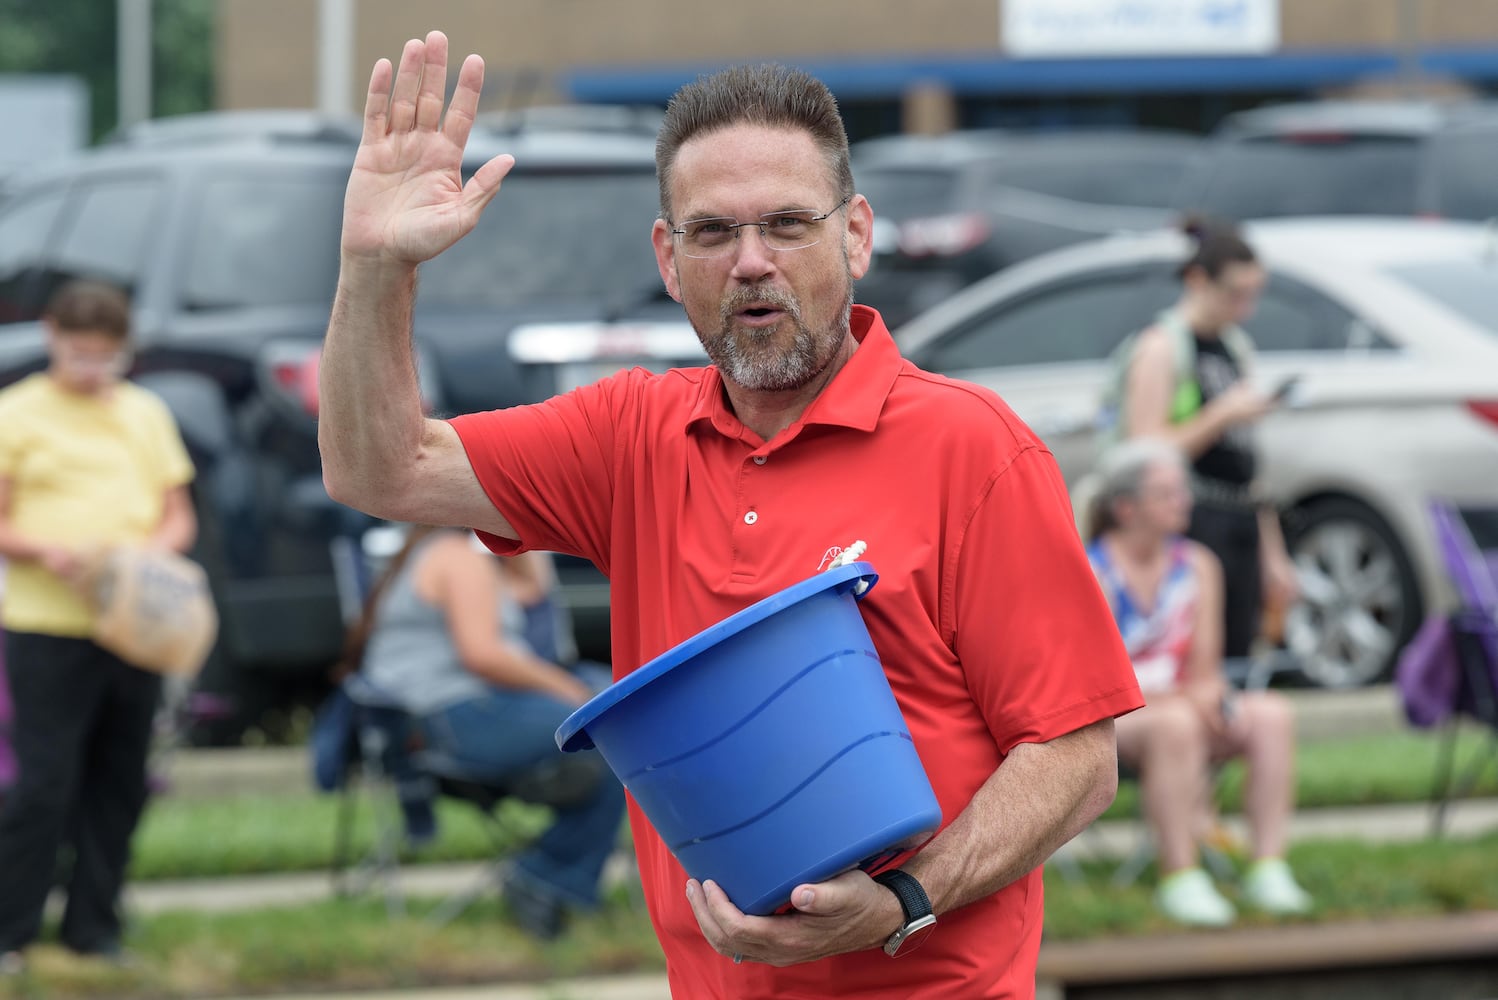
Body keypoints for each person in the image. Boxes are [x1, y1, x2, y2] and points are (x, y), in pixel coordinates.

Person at [317, 31, 1143, 999]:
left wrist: (905, 898)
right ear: (669, 259)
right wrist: (375, 265)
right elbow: (384, 469)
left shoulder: (973, 449)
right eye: (712, 233)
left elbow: (1077, 755)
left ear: (857, 234)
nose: (751, 261)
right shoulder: (632, 435)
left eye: (787, 224)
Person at [0, 280, 197, 972]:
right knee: (44, 781)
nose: (93, 371)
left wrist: (146, 556)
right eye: (80, 355)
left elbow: (178, 513)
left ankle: (95, 925)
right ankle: (10, 931)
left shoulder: (144, 413)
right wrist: (45, 551)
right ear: (52, 336)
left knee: (120, 778)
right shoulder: (17, 414)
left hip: (132, 623)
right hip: (47, 623)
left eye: (106, 358)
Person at [344, 523, 625, 938]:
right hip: (451, 720)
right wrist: (572, 692)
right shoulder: (455, 558)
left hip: (424, 722)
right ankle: (543, 876)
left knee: (609, 723)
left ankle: (553, 865)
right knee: (612, 737)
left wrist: (526, 530)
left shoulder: (436, 553)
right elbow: (484, 656)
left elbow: (532, 590)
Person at [1084, 438, 1312, 927]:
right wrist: (1186, 700)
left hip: (1182, 701)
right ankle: (1180, 875)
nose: (1182, 502)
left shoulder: (1199, 565)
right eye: (1166, 493)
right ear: (1126, 507)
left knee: (1272, 714)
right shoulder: (1093, 570)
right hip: (1118, 715)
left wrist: (1210, 696)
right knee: (1176, 725)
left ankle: (1268, 866)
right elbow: (1094, 676)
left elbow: (1204, 668)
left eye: (1181, 491)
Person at [1099, 215, 1299, 662]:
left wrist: (1273, 554)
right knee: (1198, 663)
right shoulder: (1163, 347)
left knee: (1238, 659)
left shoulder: (1234, 346)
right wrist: (1220, 415)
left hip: (1238, 520)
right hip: (1191, 520)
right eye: (1234, 293)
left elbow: (1246, 467)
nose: (1244, 308)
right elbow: (1142, 449)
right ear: (1196, 279)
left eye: (1253, 295)